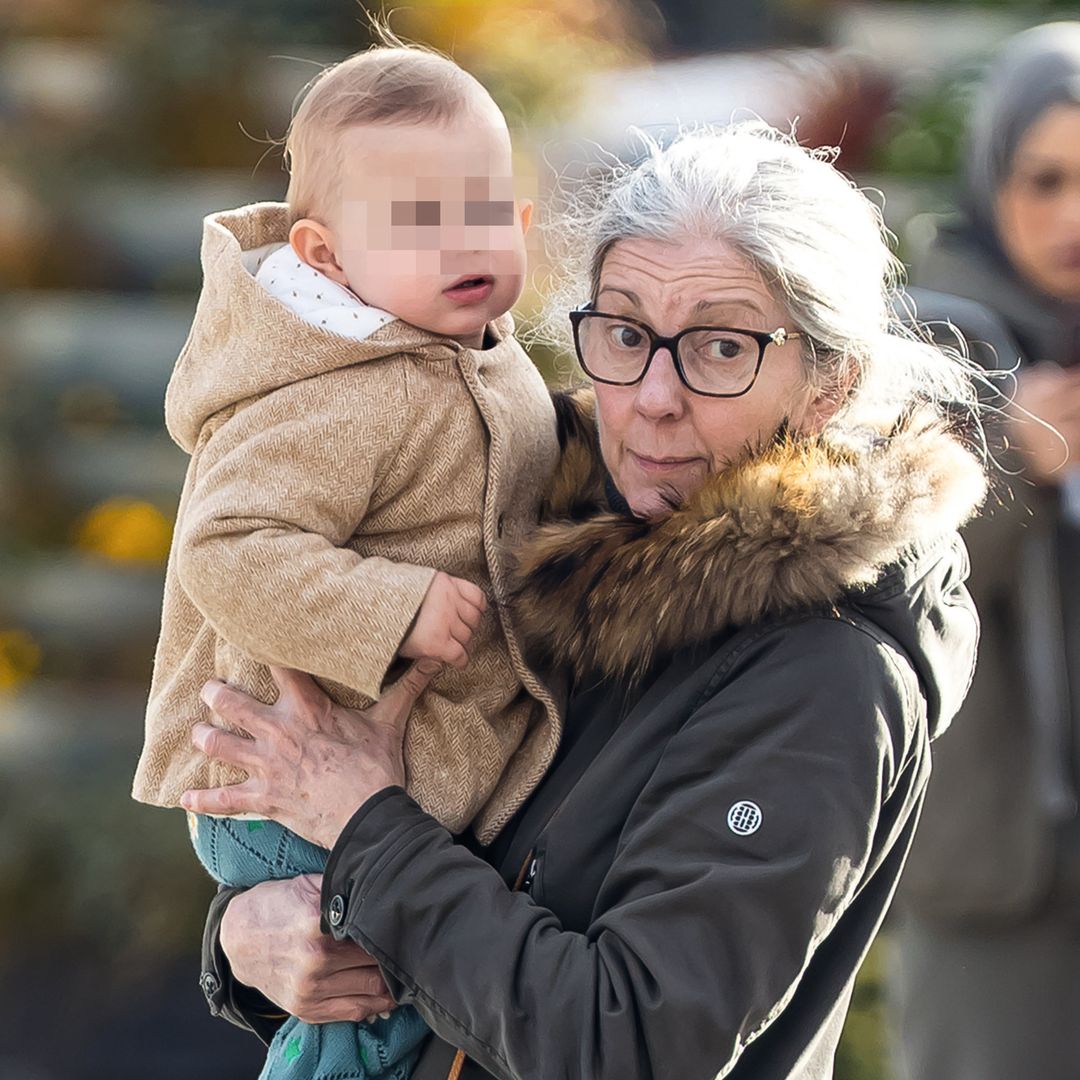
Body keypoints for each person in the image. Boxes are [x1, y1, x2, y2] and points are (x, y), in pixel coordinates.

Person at [184, 122, 988, 1080]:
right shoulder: (540, 542)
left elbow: (632, 1045)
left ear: (829, 383)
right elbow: (424, 866)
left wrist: (366, 830)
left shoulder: (827, 676)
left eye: (721, 348)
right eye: (624, 333)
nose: (653, 396)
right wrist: (249, 941)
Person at [130, 43, 562, 1080]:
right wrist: (390, 607)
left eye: (485, 208)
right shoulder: (331, 391)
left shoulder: (468, 347)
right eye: (421, 219)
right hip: (289, 791)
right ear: (324, 257)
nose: (466, 241)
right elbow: (225, 550)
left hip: (386, 780)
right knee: (364, 1015)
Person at [888, 23, 1080, 1080]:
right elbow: (889, 580)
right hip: (996, 870)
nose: (1072, 218)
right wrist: (1015, 463)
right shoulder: (930, 348)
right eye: (1042, 179)